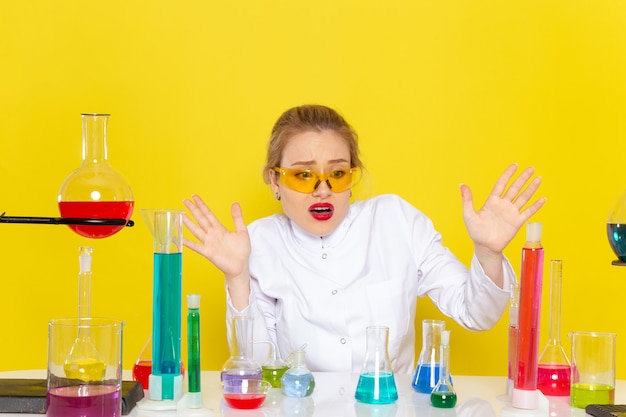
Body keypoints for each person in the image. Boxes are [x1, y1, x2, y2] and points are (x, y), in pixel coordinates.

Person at [182, 104, 546, 374]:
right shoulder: (257, 242)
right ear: (275, 181)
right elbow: (257, 362)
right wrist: (237, 276)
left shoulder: (396, 220)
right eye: (303, 175)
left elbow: (477, 313)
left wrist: (487, 253)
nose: (322, 190)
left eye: (337, 173)